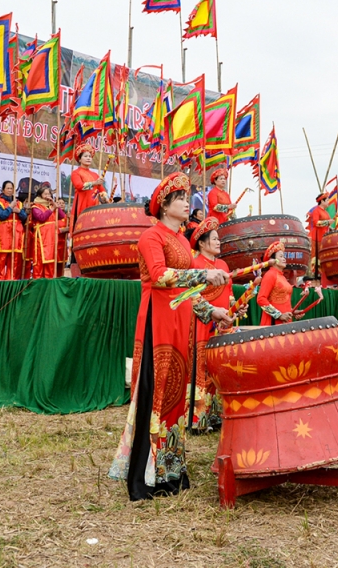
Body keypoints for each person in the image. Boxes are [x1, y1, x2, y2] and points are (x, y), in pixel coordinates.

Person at [108, 172, 232, 500]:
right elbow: (162, 276)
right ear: (163, 206)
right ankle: (143, 479)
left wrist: (211, 311)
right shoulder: (152, 237)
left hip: (180, 324)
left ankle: (170, 474)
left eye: (185, 198)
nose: (184, 203)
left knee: (176, 396)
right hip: (157, 323)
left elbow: (188, 290)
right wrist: (203, 272)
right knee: (155, 395)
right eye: (178, 199)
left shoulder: (181, 241)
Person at [189, 217, 232, 431]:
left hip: (224, 323)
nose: (218, 242)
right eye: (214, 239)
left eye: (218, 239)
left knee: (221, 368)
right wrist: (212, 311)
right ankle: (199, 418)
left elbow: (229, 294)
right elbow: (192, 296)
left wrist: (236, 307)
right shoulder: (194, 264)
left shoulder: (223, 265)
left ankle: (217, 415)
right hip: (203, 323)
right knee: (203, 368)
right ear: (202, 243)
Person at [26, 183, 65, 279]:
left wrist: (55, 205)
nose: (48, 196)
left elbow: (61, 216)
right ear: (40, 196)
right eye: (45, 194)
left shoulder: (51, 205)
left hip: (51, 237)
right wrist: (52, 209)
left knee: (50, 262)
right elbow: (41, 217)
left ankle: (49, 285)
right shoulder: (35, 206)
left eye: (49, 194)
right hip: (41, 237)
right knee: (39, 262)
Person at [0, 181, 27, 281]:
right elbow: (1, 215)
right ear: (3, 190)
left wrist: (19, 211)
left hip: (17, 232)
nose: (10, 190)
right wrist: (10, 207)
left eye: (11, 188)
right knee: (2, 257)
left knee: (15, 258)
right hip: (5, 231)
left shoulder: (19, 203)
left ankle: (12, 279)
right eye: (7, 188)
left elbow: (24, 217)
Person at [70, 144, 108, 230]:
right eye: (85, 156)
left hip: (94, 204)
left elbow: (101, 189)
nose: (88, 158)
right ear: (79, 159)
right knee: (81, 226)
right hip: (82, 202)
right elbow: (79, 186)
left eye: (90, 156)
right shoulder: (76, 173)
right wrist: (94, 183)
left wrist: (106, 197)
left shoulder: (95, 175)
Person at [257, 242, 295, 325]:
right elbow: (261, 299)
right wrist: (278, 315)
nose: (284, 259)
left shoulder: (283, 277)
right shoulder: (270, 275)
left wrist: (293, 312)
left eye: (284, 256)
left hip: (285, 321)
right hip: (273, 322)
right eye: (281, 256)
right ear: (273, 260)